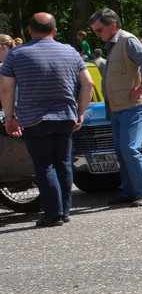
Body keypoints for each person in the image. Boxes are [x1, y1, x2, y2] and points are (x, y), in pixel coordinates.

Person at [1, 13, 94, 226]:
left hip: (34, 118)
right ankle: (65, 210)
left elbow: (6, 89)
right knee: (63, 163)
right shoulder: (71, 52)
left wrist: (9, 117)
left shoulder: (16, 55)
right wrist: (79, 113)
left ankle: (53, 213)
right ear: (54, 31)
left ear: (30, 30)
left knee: (44, 165)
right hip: (65, 117)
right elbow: (88, 84)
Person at [88, 8, 142, 206]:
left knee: (130, 148)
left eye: (99, 30)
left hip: (133, 106)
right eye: (95, 31)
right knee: (121, 149)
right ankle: (129, 191)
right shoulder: (114, 44)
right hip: (118, 108)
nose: (97, 34)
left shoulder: (127, 40)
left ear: (113, 26)